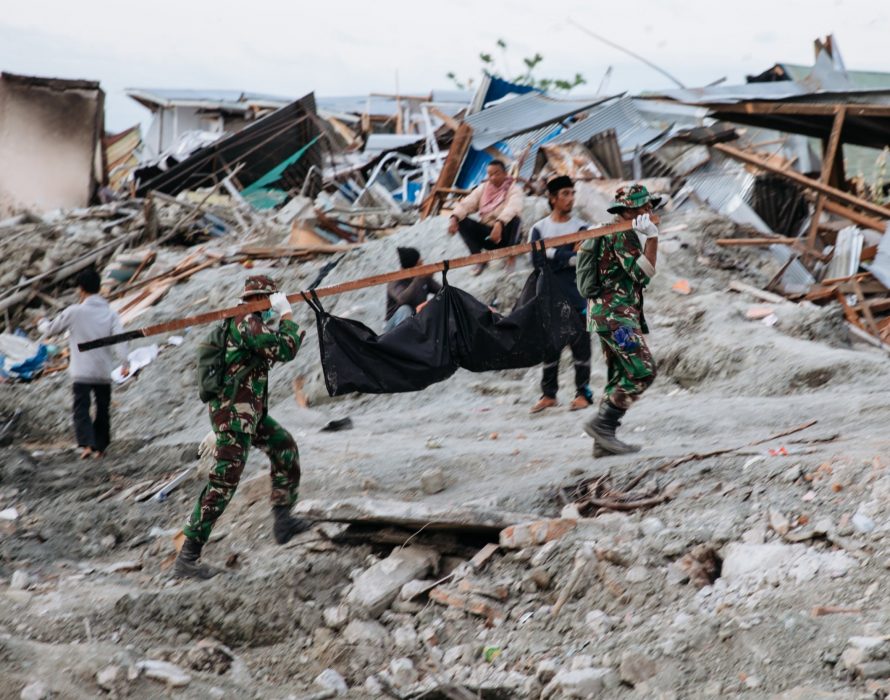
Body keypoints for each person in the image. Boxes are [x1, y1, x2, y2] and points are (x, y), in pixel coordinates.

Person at [173, 275, 307, 579]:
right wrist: (287, 315)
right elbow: (285, 349)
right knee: (223, 483)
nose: (272, 306)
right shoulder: (245, 322)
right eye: (270, 300)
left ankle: (283, 520)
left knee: (283, 447)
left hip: (248, 414)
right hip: (235, 416)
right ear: (259, 299)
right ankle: (187, 557)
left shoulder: (248, 322)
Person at [576, 184, 660, 456]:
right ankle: (602, 425)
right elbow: (643, 275)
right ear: (629, 210)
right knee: (643, 370)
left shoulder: (608, 230)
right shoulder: (622, 235)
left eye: (650, 206)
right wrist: (653, 238)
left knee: (619, 374)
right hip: (617, 320)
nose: (650, 210)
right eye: (645, 206)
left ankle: (603, 442)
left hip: (604, 316)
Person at [38, 268, 130, 459]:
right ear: (99, 288)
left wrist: (41, 323)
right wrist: (125, 363)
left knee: (81, 408)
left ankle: (87, 445)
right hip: (102, 371)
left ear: (81, 289)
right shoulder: (111, 314)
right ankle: (101, 448)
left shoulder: (74, 312)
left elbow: (52, 329)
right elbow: (121, 339)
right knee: (102, 409)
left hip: (81, 371)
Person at [528, 175, 593, 414]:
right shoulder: (539, 229)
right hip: (550, 294)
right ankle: (548, 395)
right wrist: (565, 255)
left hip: (576, 293)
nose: (570, 198)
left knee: (581, 344)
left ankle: (583, 394)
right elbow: (537, 262)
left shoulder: (581, 228)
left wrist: (552, 253)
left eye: (572, 193)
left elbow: (582, 260)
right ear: (553, 198)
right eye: (565, 193)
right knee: (550, 346)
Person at [447, 160, 524, 275]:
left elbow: (513, 207)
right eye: (490, 174)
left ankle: (511, 256)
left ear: (505, 173)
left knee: (516, 219)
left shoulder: (514, 189)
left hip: (506, 236)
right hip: (489, 237)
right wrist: (454, 218)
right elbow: (467, 203)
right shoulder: (483, 188)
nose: (493, 177)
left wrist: (499, 223)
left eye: (496, 173)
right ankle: (479, 258)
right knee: (461, 220)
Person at [384, 247, 441, 331]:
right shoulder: (395, 281)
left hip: (417, 320)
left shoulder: (424, 278)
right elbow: (402, 299)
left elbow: (442, 291)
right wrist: (419, 277)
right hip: (393, 328)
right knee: (405, 309)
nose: (423, 265)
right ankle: (405, 338)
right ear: (412, 267)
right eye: (420, 263)